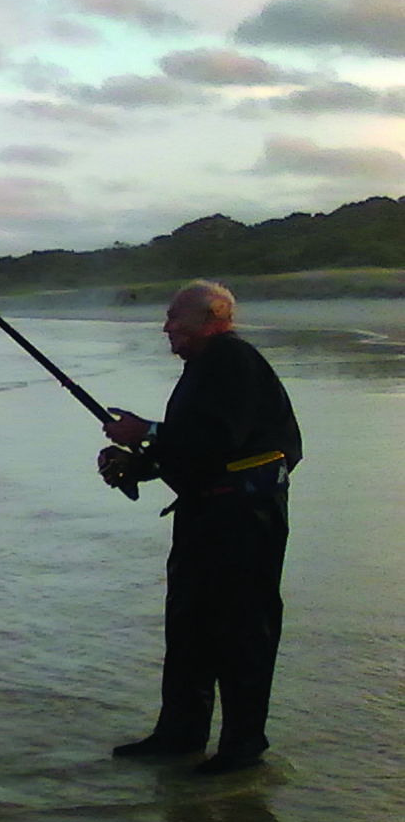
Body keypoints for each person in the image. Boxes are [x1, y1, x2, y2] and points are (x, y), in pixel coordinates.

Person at [98, 280, 301, 775]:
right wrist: (139, 463)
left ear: (212, 319)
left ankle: (242, 747)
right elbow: (197, 448)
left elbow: (217, 437)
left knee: (241, 630)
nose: (165, 326)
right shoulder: (203, 367)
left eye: (174, 317)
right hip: (206, 513)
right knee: (189, 625)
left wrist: (145, 432)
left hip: (245, 520)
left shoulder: (232, 361)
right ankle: (180, 733)